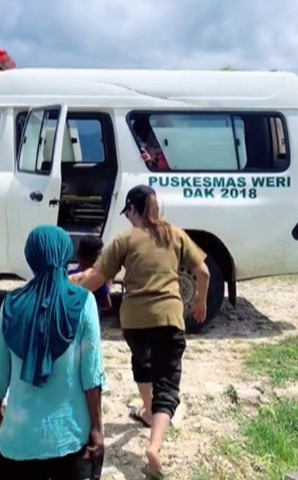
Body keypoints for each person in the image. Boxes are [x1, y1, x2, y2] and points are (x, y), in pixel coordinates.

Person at [71, 185, 210, 479]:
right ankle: (154, 447)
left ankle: (147, 410)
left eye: (128, 212)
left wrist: (68, 290)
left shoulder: (125, 239)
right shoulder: (175, 235)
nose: (128, 218)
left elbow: (97, 277)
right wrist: (200, 300)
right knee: (168, 384)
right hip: (169, 317)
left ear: (134, 210)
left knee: (142, 362)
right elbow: (204, 272)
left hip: (134, 321)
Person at [0, 225, 105, 480]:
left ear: (31, 257)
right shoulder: (83, 302)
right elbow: (91, 375)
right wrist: (96, 427)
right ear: (65, 255)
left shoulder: (11, 305)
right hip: (69, 436)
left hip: (19, 440)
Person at [69, 235, 112, 319]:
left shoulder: (69, 276)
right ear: (97, 258)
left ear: (79, 254)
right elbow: (107, 304)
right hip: (91, 325)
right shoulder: (98, 279)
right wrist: (108, 285)